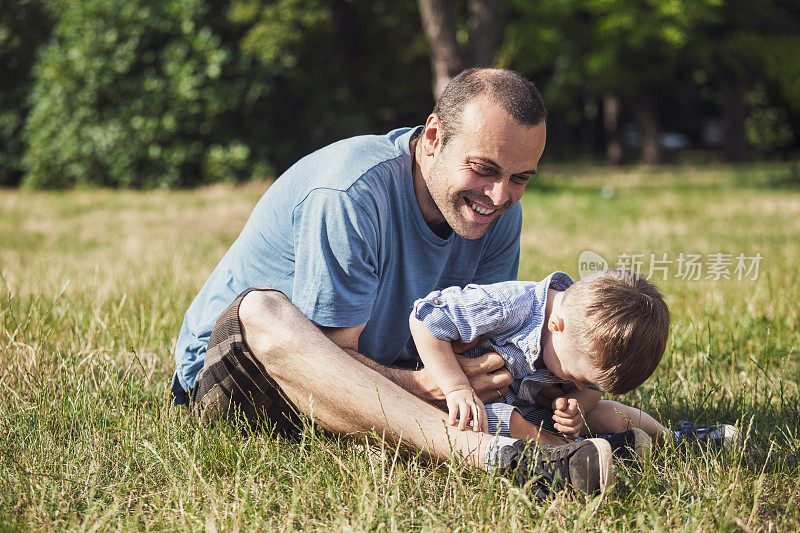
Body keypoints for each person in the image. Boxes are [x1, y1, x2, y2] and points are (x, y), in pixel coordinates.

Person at [171, 68, 614, 497]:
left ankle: (611, 439)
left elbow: (476, 352)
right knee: (261, 313)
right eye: (483, 169)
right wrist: (429, 386)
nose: (499, 196)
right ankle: (497, 457)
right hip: (242, 374)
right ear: (434, 137)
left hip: (375, 381)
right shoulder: (351, 194)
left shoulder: (500, 214)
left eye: (520, 179)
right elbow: (333, 362)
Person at [411, 268, 738, 452]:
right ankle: (569, 453)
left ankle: (672, 441)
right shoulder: (508, 305)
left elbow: (591, 387)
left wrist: (578, 403)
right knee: (508, 420)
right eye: (578, 376)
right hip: (476, 409)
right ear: (556, 326)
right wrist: (455, 388)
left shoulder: (579, 339)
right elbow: (425, 318)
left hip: (536, 409)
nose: (580, 384)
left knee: (609, 413)